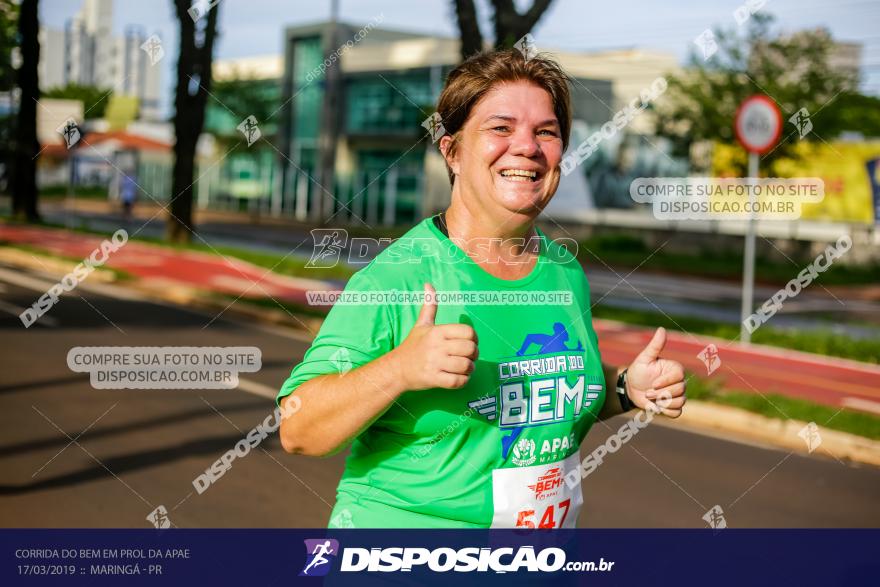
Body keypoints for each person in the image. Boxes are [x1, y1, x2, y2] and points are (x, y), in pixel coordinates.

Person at [277, 48, 686, 529]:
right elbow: (298, 429)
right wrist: (400, 369)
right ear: (452, 151)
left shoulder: (562, 271)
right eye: (501, 128)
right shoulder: (400, 276)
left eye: (546, 132)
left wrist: (623, 388)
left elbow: (544, 400)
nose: (527, 147)